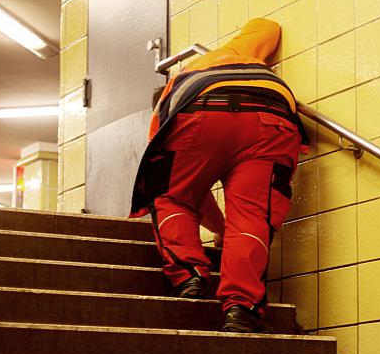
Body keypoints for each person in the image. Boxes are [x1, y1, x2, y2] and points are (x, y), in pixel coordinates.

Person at [130, 18, 308, 333]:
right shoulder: (231, 53)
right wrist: (227, 229)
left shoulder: (167, 105)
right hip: (273, 115)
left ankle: (188, 275)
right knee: (252, 216)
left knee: (168, 196)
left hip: (198, 113)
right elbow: (268, 27)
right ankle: (241, 307)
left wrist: (218, 227)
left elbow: (183, 193)